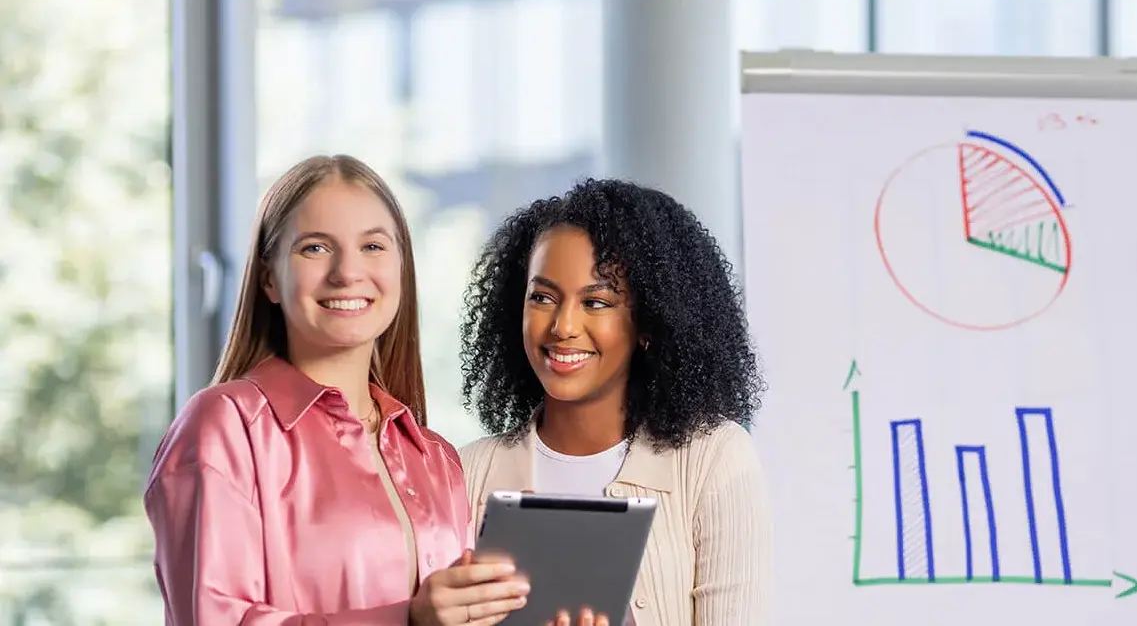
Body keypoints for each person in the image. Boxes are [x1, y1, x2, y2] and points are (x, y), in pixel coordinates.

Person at [145, 154, 548, 624]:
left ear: (401, 268)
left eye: (373, 247)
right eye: (315, 248)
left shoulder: (434, 458)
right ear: (269, 277)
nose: (347, 273)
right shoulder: (226, 427)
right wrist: (407, 620)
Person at [457, 178, 771, 625]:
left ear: (648, 323)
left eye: (597, 302)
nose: (563, 326)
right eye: (542, 297)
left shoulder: (713, 458)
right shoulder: (466, 473)